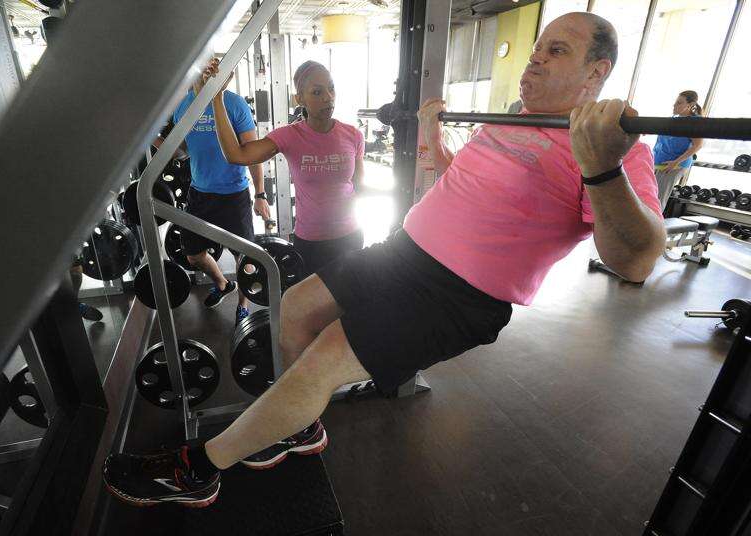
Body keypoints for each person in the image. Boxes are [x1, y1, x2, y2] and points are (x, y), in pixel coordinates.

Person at [103, 12, 666, 508]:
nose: (535, 58)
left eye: (557, 50)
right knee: (293, 309)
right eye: (538, 47)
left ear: (596, 72)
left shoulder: (620, 150)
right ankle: (300, 424)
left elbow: (635, 261)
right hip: (402, 252)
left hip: (456, 295)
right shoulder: (514, 117)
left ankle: (196, 471)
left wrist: (602, 168)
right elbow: (467, 182)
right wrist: (432, 135)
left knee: (325, 358)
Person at [211, 60, 365, 275]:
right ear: (299, 99)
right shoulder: (290, 135)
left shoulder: (353, 135)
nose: (328, 97)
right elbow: (236, 155)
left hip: (350, 238)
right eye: (317, 92)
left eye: (331, 88)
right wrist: (217, 97)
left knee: (350, 295)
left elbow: (359, 187)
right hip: (310, 243)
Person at [159, 56, 271, 324]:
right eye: (201, 71)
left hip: (234, 195)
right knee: (192, 255)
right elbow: (182, 152)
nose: (205, 75)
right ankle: (223, 284)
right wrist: (149, 136)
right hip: (199, 193)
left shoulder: (235, 104)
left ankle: (243, 306)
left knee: (246, 259)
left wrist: (260, 194)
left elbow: (251, 153)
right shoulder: (184, 107)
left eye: (211, 70)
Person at [652, 90, 704, 208]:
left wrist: (676, 162)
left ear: (690, 105)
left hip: (674, 165)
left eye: (679, 103)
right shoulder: (674, 120)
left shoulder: (695, 122)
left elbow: (698, 145)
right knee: (650, 196)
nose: (674, 105)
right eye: (675, 102)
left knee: (658, 199)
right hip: (659, 163)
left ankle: (655, 220)